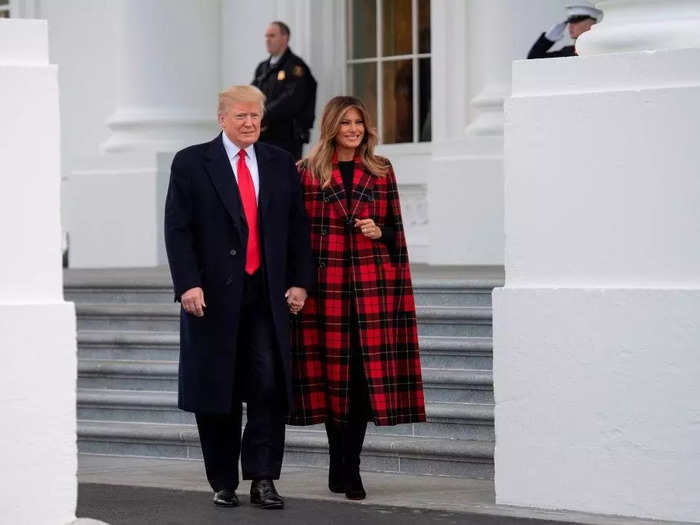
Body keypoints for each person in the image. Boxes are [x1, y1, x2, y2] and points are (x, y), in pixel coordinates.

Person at [164, 85, 312, 510]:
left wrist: (301, 281)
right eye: (241, 117)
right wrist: (187, 283)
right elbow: (177, 229)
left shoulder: (280, 162)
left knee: (268, 385)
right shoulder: (192, 163)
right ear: (222, 118)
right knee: (218, 390)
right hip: (210, 298)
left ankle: (263, 478)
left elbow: (297, 228)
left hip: (267, 295)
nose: (250, 124)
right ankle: (224, 479)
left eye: (255, 117)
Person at [289, 96, 426, 500]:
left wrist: (376, 231)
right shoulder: (306, 172)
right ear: (331, 126)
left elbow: (396, 233)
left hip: (371, 288)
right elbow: (296, 236)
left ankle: (351, 467)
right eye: (346, 122)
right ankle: (338, 460)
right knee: (334, 378)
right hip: (325, 287)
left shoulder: (381, 170)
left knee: (363, 381)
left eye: (359, 123)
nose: (353, 129)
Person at [252, 21, 317, 160]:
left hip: (286, 138)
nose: (267, 40)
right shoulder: (263, 68)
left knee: (284, 177)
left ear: (285, 38)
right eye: (266, 36)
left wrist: (263, 114)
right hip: (262, 135)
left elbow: (291, 100)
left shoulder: (296, 67)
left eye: (272, 36)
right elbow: (251, 93)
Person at [527, 4, 603, 59]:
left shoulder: (600, 49)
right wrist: (547, 40)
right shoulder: (567, 51)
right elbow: (533, 59)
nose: (570, 26)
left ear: (590, 24)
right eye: (569, 22)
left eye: (576, 22)